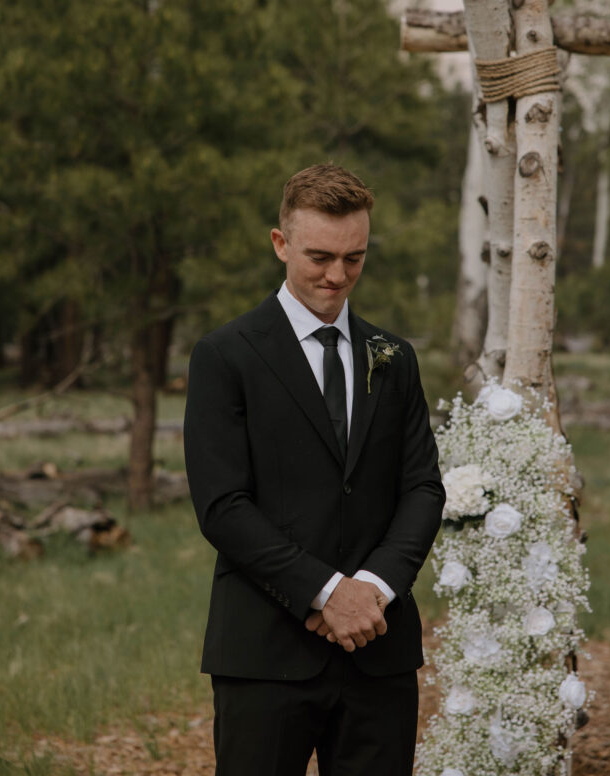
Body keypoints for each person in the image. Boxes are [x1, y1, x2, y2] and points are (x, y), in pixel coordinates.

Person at [183, 163, 445, 776]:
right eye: (320, 256)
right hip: (264, 652)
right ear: (280, 244)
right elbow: (222, 506)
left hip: (379, 651)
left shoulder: (395, 358)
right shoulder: (225, 356)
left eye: (354, 258)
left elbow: (423, 487)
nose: (337, 275)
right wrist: (328, 594)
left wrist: (373, 591)